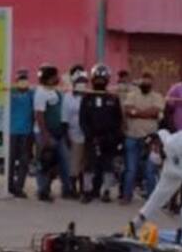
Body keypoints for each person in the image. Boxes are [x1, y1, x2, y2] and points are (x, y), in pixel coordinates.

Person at [80, 64, 124, 203]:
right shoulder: (87, 98)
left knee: (108, 166)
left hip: (109, 138)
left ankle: (106, 191)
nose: (100, 81)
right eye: (97, 78)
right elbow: (83, 119)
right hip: (91, 138)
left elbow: (118, 119)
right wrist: (89, 135)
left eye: (102, 78)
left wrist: (114, 137)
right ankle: (87, 191)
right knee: (89, 166)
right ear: (93, 79)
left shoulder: (113, 98)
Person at [121, 71, 163, 204]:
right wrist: (147, 113)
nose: (145, 84)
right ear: (140, 82)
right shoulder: (132, 95)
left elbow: (156, 112)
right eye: (143, 82)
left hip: (150, 139)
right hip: (132, 137)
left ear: (152, 83)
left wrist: (137, 112)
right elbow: (128, 111)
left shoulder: (157, 96)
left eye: (148, 82)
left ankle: (152, 200)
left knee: (150, 171)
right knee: (130, 169)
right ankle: (127, 196)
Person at [33, 64, 68, 202]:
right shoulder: (41, 93)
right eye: (55, 76)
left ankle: (64, 189)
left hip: (57, 132)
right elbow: (39, 115)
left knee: (60, 161)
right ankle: (43, 190)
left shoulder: (53, 90)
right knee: (45, 162)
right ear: (49, 78)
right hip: (45, 134)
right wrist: (45, 135)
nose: (57, 78)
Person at [7, 69, 34, 198]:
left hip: (26, 132)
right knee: (10, 160)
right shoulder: (10, 92)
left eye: (25, 79)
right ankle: (9, 185)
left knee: (24, 161)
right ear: (16, 81)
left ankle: (19, 187)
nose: (22, 82)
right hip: (12, 132)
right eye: (20, 79)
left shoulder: (31, 93)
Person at [63, 70, 88, 197]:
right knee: (74, 163)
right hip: (73, 134)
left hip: (87, 135)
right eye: (79, 82)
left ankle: (84, 188)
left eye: (84, 82)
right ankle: (72, 189)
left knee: (84, 163)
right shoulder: (67, 97)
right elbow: (65, 119)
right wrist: (67, 136)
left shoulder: (88, 96)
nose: (82, 84)